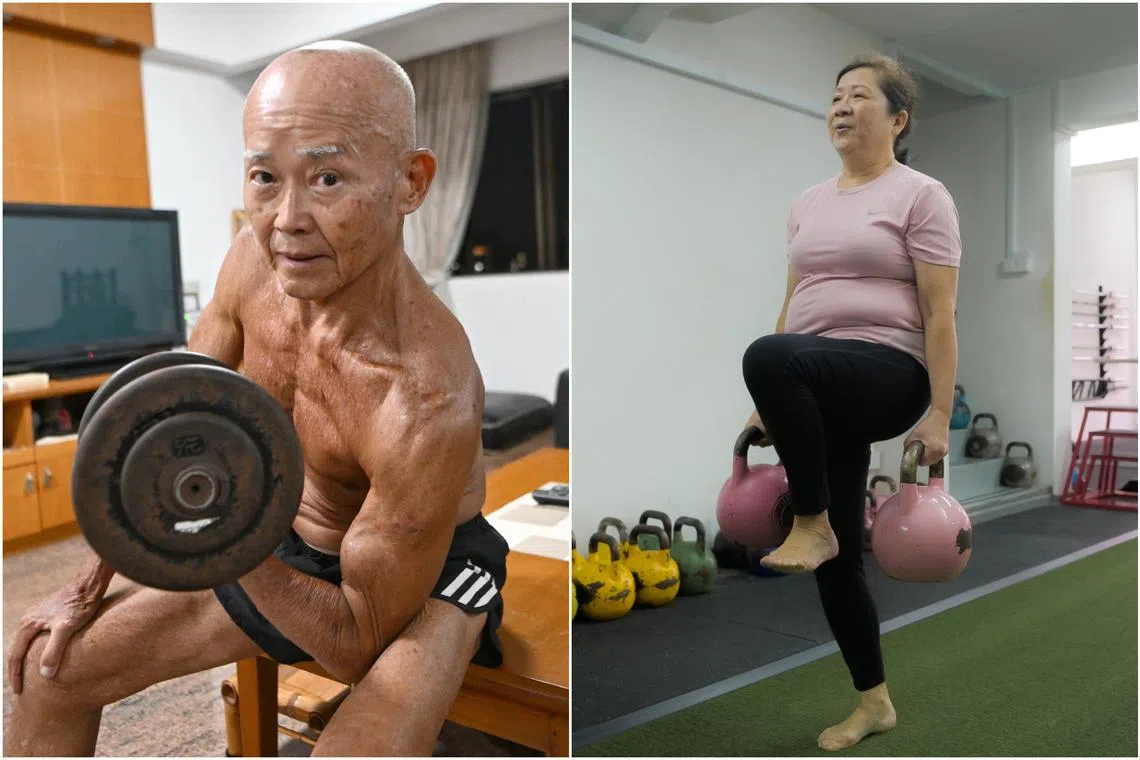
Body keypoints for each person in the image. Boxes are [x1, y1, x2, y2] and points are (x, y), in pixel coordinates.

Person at [5, 40, 509, 757]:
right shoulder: (253, 263)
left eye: (327, 178)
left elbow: (353, 641)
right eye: (266, 177)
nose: (286, 219)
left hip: (422, 576)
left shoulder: (425, 396)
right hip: (274, 537)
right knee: (47, 671)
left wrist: (226, 538)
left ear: (410, 182)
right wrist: (88, 586)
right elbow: (161, 425)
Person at [741, 54, 961, 752]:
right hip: (816, 378)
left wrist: (938, 413)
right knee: (838, 564)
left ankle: (809, 521)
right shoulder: (808, 203)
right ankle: (875, 702)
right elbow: (794, 304)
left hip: (891, 372)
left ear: (897, 119)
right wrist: (768, 403)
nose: (841, 106)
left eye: (859, 95)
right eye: (836, 95)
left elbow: (941, 314)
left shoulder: (921, 196)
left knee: (766, 356)